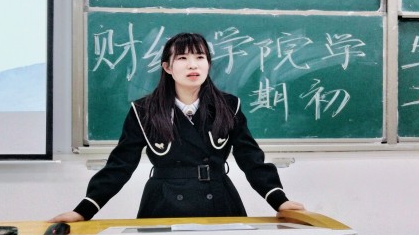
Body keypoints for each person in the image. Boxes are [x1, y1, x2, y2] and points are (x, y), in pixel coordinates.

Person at [50, 32, 304, 223]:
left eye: (200, 57)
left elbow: (251, 159)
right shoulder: (143, 110)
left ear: (208, 64)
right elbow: (120, 166)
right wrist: (83, 211)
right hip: (163, 201)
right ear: (168, 67)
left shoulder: (229, 106)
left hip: (218, 199)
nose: (193, 65)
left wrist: (279, 200)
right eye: (182, 58)